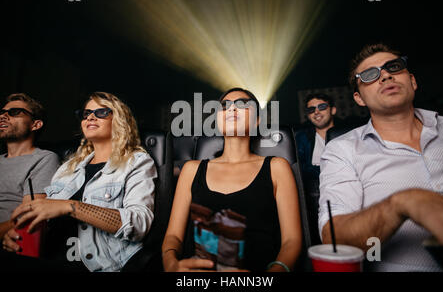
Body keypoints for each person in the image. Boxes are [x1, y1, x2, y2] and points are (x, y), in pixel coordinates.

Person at [319, 43, 443, 271]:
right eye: (370, 75)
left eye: (394, 67)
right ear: (359, 99)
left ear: (413, 81)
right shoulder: (343, 150)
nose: (386, 75)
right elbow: (334, 240)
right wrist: (403, 202)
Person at [2, 92, 157, 272]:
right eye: (86, 114)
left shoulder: (136, 162)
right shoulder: (68, 168)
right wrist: (15, 236)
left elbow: (138, 224)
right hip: (50, 256)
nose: (90, 116)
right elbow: (45, 220)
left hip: (99, 265)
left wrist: (72, 207)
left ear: (119, 120)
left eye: (101, 112)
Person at [162, 87, 302, 272]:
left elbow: (291, 241)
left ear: (257, 121)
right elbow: (173, 236)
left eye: (242, 104)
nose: (231, 109)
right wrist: (171, 264)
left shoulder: (277, 167)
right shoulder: (191, 170)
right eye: (224, 105)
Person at [0, 93, 60, 240]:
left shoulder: (44, 159)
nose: (3, 116)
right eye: (2, 113)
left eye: (14, 113)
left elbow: (29, 216)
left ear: (35, 124)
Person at [295, 93, 336, 244]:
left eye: (322, 107)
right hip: (311, 200)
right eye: (311, 109)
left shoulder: (347, 135)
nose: (316, 112)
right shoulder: (300, 138)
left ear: (333, 110)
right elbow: (299, 171)